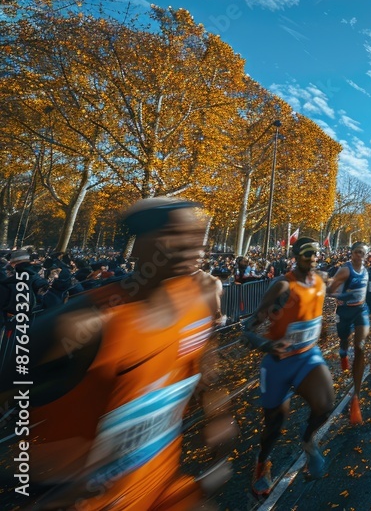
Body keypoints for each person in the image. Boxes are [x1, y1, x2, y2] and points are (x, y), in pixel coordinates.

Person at [23, 198, 233, 510]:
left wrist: (217, 414)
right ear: (138, 246)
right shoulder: (85, 323)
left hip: (163, 489)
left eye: (199, 235)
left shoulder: (199, 301)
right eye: (176, 234)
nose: (195, 246)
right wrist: (44, 477)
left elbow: (203, 370)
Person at [242, 237, 335, 496]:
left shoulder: (320, 279)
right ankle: (262, 464)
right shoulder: (282, 285)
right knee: (274, 425)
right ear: (295, 255)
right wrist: (267, 346)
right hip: (278, 362)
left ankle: (307, 441)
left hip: (307, 356)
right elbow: (248, 329)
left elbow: (315, 310)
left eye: (317, 253)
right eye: (308, 254)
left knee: (325, 404)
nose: (314, 258)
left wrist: (323, 329)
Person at [327, 241, 371, 425]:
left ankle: (356, 396)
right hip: (345, 312)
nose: (360, 255)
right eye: (357, 252)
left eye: (363, 253)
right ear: (352, 253)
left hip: (361, 311)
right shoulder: (345, 270)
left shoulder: (366, 270)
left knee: (360, 347)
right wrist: (342, 297)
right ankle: (343, 353)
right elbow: (329, 291)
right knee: (343, 340)